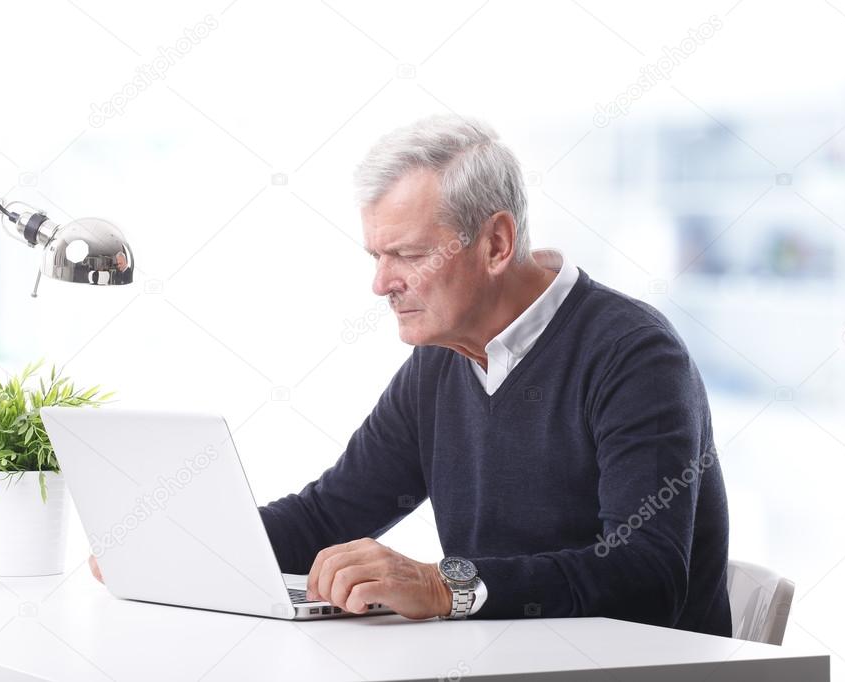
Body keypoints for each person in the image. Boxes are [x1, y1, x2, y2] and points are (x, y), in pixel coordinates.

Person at [91, 115, 731, 635]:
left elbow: (648, 577)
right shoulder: (441, 361)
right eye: (377, 255)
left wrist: (440, 584)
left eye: (409, 255)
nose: (381, 284)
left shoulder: (633, 354)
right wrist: (182, 544)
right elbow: (329, 516)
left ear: (496, 244)